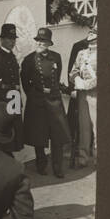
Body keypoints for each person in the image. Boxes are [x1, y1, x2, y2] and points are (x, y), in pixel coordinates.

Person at [21, 27, 72, 177]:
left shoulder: (56, 57)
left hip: (54, 101)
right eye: (39, 40)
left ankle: (58, 167)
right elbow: (25, 81)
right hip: (38, 101)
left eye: (44, 41)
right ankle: (41, 165)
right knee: (39, 136)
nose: (41, 43)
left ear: (49, 43)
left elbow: (57, 77)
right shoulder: (29, 59)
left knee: (58, 136)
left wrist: (53, 91)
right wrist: (34, 94)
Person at [69, 26, 98, 165]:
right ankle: (83, 157)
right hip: (82, 93)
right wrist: (76, 79)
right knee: (83, 126)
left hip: (96, 94)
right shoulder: (81, 53)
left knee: (97, 127)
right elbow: (73, 71)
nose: (92, 43)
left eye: (95, 40)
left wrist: (92, 83)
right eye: (90, 40)